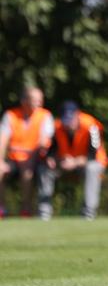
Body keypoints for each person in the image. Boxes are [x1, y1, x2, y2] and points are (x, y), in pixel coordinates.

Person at [44, 101, 108, 220]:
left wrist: (74, 162)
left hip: (90, 162)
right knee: (44, 169)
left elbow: (92, 155)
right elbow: (51, 150)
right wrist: (51, 159)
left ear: (77, 115)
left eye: (71, 119)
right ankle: (44, 212)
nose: (69, 124)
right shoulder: (57, 126)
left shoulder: (91, 126)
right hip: (65, 163)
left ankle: (88, 212)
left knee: (92, 169)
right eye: (66, 120)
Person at [0, 86, 54, 218]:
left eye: (40, 100)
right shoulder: (11, 115)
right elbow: (2, 140)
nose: (38, 103)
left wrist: (30, 157)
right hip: (13, 159)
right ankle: (2, 208)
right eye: (34, 100)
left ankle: (26, 209)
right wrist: (0, 161)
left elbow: (43, 141)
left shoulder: (45, 116)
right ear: (24, 101)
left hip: (34, 158)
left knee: (27, 171)